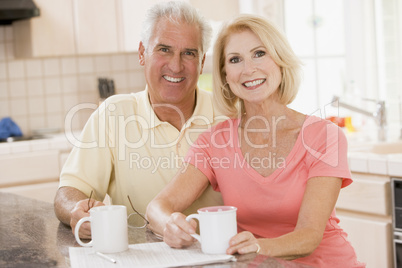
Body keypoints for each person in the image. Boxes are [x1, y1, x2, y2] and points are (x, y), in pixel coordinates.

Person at [146, 14, 365, 268]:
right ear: (225, 75)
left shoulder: (324, 135)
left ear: (280, 61)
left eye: (259, 53)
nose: (249, 69)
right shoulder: (214, 142)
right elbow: (158, 206)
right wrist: (169, 224)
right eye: (235, 59)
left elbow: (309, 236)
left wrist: (257, 247)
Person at [54, 1, 224, 239]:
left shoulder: (229, 114)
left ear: (202, 62)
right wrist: (78, 210)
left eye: (189, 53)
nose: (176, 65)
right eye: (164, 49)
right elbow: (70, 191)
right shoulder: (113, 115)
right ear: (142, 54)